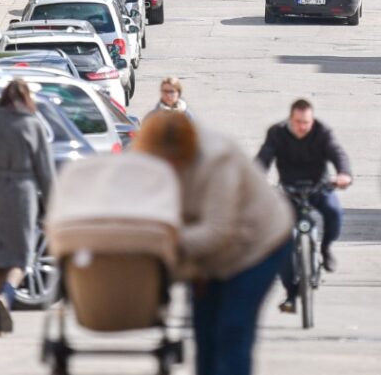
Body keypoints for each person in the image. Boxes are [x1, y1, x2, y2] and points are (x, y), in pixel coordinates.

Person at [136, 112, 291, 375]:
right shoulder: (150, 158)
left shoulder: (217, 160)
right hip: (209, 256)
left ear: (178, 156)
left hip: (259, 245)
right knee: (204, 331)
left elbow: (217, 231)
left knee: (232, 329)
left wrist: (163, 241)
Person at [0, 79, 55, 336]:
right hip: (22, 192)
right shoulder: (33, 125)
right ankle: (6, 296)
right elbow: (46, 172)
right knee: (19, 256)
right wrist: (51, 209)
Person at [255, 99, 353, 312]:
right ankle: (291, 293)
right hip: (289, 192)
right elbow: (264, 157)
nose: (303, 127)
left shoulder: (322, 132)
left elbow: (338, 154)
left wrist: (343, 174)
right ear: (291, 118)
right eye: (298, 122)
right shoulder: (277, 133)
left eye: (306, 122)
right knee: (282, 246)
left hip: (319, 188)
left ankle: (326, 249)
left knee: (334, 212)